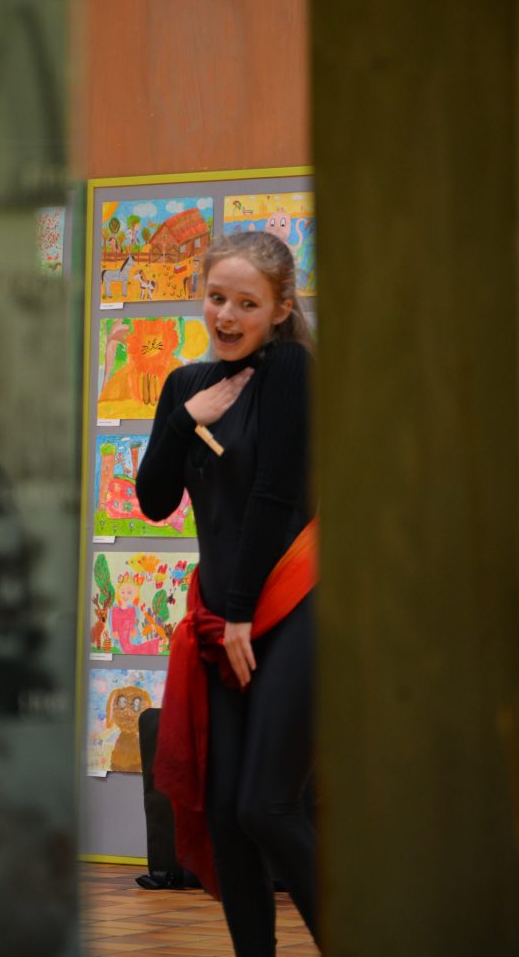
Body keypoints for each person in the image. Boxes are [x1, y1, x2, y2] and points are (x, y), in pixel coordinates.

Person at [136, 231, 318, 956]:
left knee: (267, 807)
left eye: (247, 303)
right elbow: (153, 501)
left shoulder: (291, 370)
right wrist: (186, 418)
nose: (227, 315)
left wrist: (242, 613)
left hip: (290, 608)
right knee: (225, 818)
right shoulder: (186, 383)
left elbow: (275, 495)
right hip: (220, 618)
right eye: (216, 298)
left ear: (279, 309)